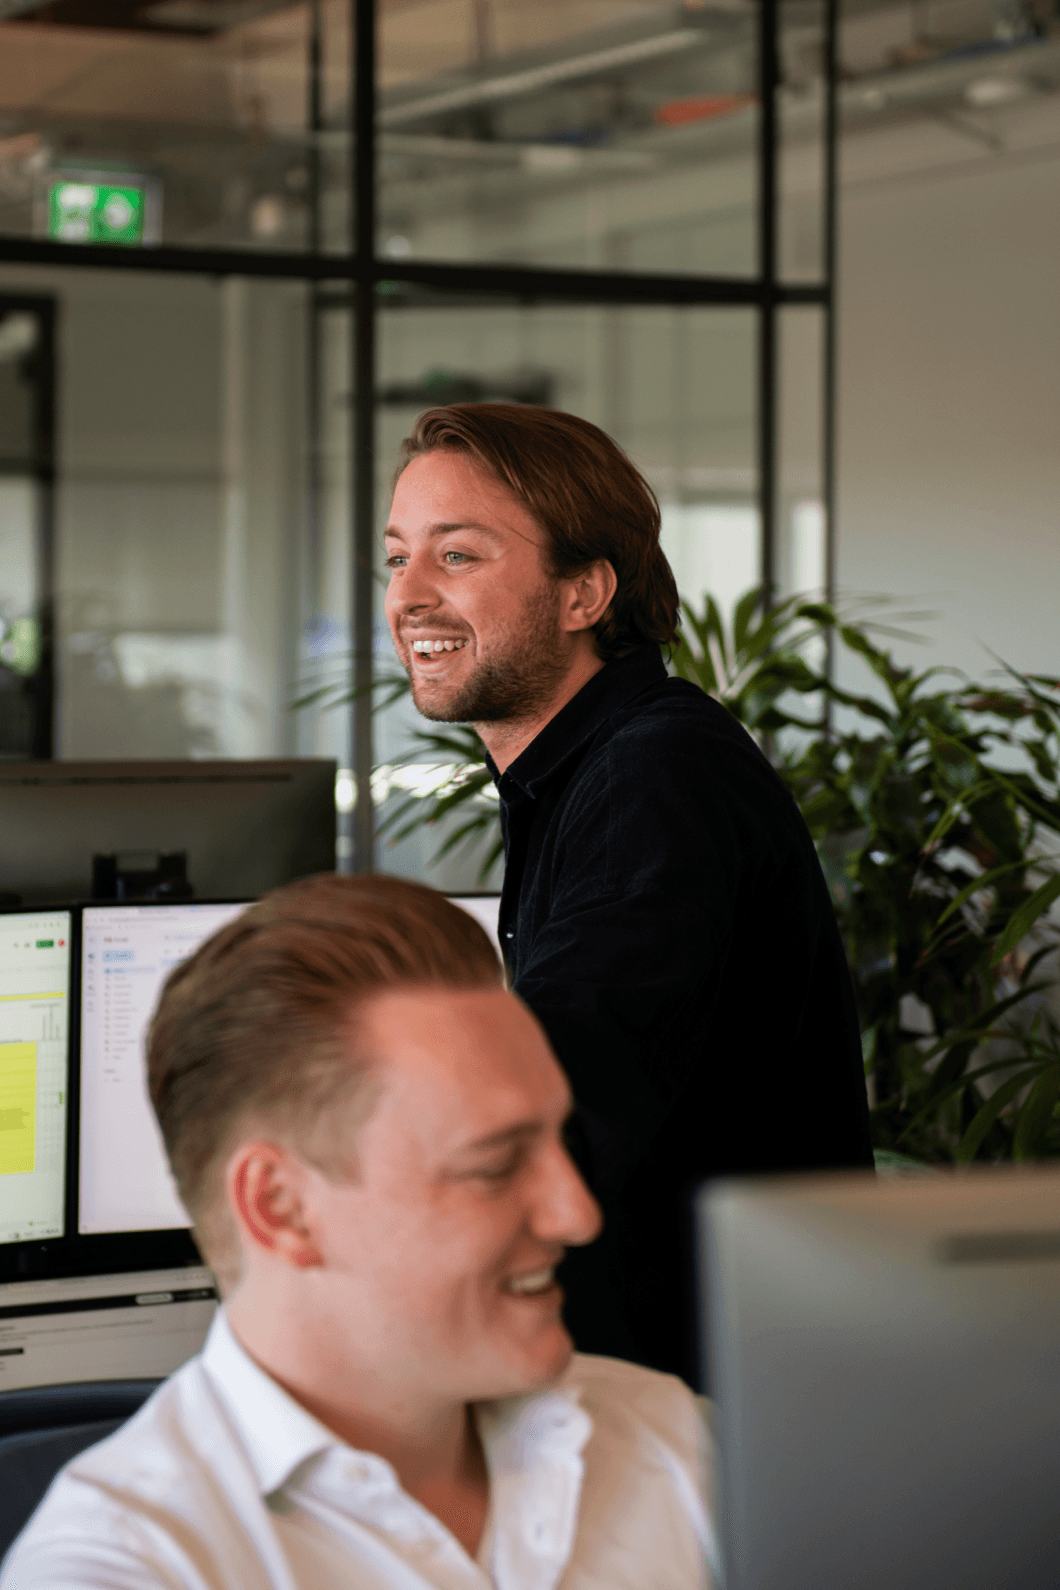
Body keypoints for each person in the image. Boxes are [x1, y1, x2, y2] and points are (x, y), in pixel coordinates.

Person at [1, 875, 715, 1590]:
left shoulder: (679, 1442)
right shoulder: (122, 1569)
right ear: (281, 1208)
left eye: (560, 1141)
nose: (577, 1215)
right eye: (495, 1166)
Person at [384, 404, 875, 1385]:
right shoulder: (594, 770)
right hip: (657, 1380)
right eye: (397, 558)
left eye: (457, 555)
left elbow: (546, 1100)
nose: (408, 595)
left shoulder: (652, 777)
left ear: (584, 593)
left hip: (704, 1409)